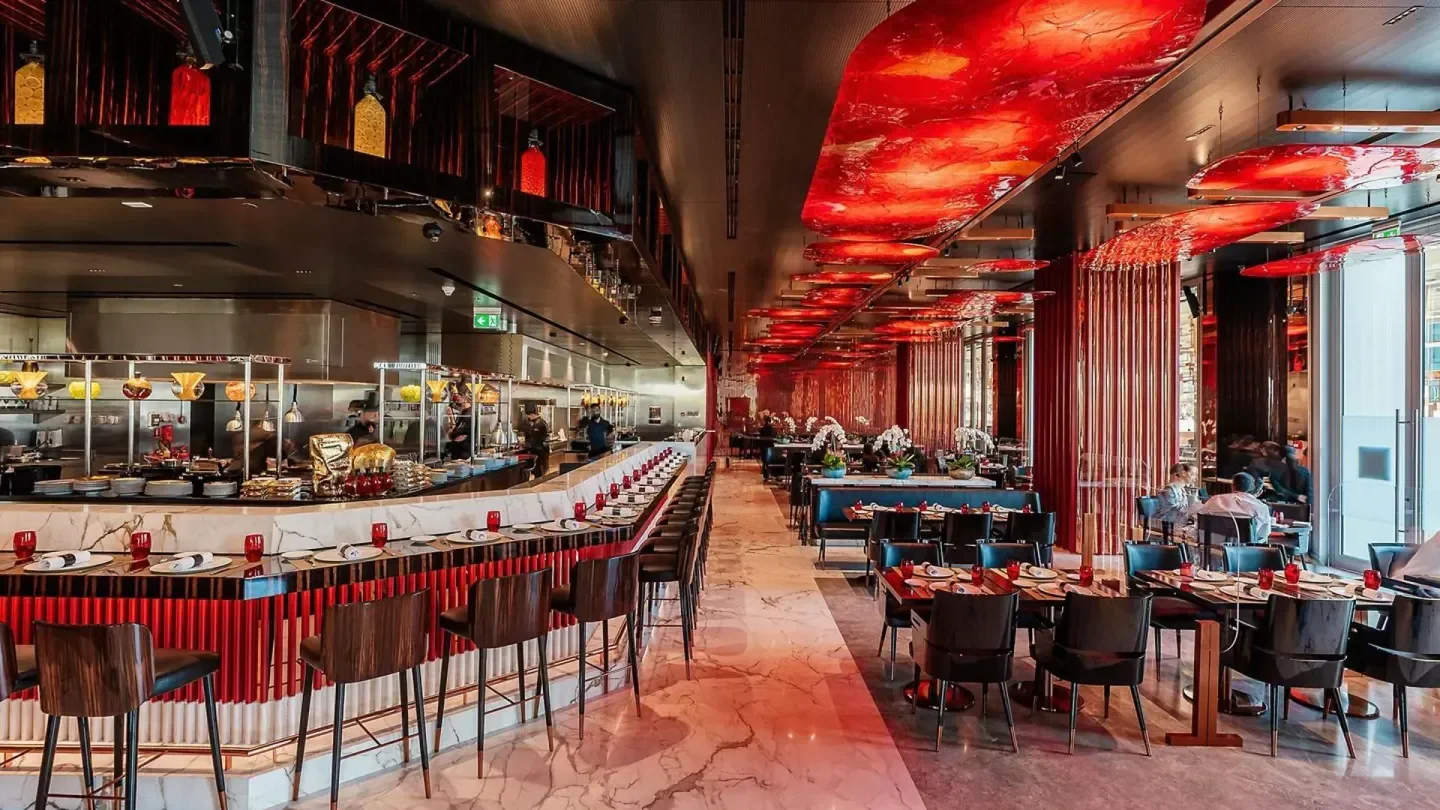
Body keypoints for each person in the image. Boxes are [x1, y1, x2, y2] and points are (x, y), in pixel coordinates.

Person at [1196, 471, 1273, 543]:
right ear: (1252, 488)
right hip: (1243, 553)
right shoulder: (1261, 508)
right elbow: (1263, 536)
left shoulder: (1215, 500)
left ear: (1233, 486)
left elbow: (1199, 523)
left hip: (1211, 551)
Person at [1155, 462, 1202, 528]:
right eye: (1191, 474)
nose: (1191, 477)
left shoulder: (1181, 489)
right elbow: (1172, 510)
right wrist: (1191, 509)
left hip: (1179, 522)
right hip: (1168, 524)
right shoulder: (1169, 489)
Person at [520, 405, 551, 476]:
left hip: (540, 450)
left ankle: (539, 484)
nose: (528, 418)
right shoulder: (541, 422)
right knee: (541, 470)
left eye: (528, 416)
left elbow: (536, 439)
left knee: (539, 471)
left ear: (532, 414)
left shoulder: (538, 424)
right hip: (542, 449)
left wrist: (526, 445)